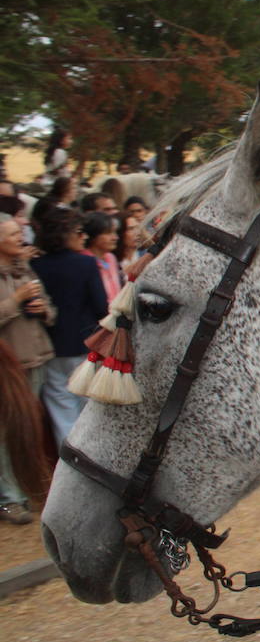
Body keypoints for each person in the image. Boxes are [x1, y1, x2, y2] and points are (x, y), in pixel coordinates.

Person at [31, 209, 107, 443]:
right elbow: (100, 305)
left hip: (50, 344)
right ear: (65, 235)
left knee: (60, 403)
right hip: (85, 341)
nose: (83, 236)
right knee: (88, 402)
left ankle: (67, 452)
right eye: (78, 232)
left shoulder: (35, 264)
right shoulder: (85, 263)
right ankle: (90, 450)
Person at [0, 214, 54, 524]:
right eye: (11, 235)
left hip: (37, 358)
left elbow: (51, 310)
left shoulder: (26, 270)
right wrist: (14, 301)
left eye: (20, 232)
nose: (20, 238)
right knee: (6, 433)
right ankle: (9, 498)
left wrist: (43, 309)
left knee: (30, 430)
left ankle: (26, 489)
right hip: (8, 369)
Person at [80, 212, 124, 304]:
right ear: (93, 235)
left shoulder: (111, 258)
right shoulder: (83, 261)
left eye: (115, 232)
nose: (115, 237)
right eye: (108, 233)